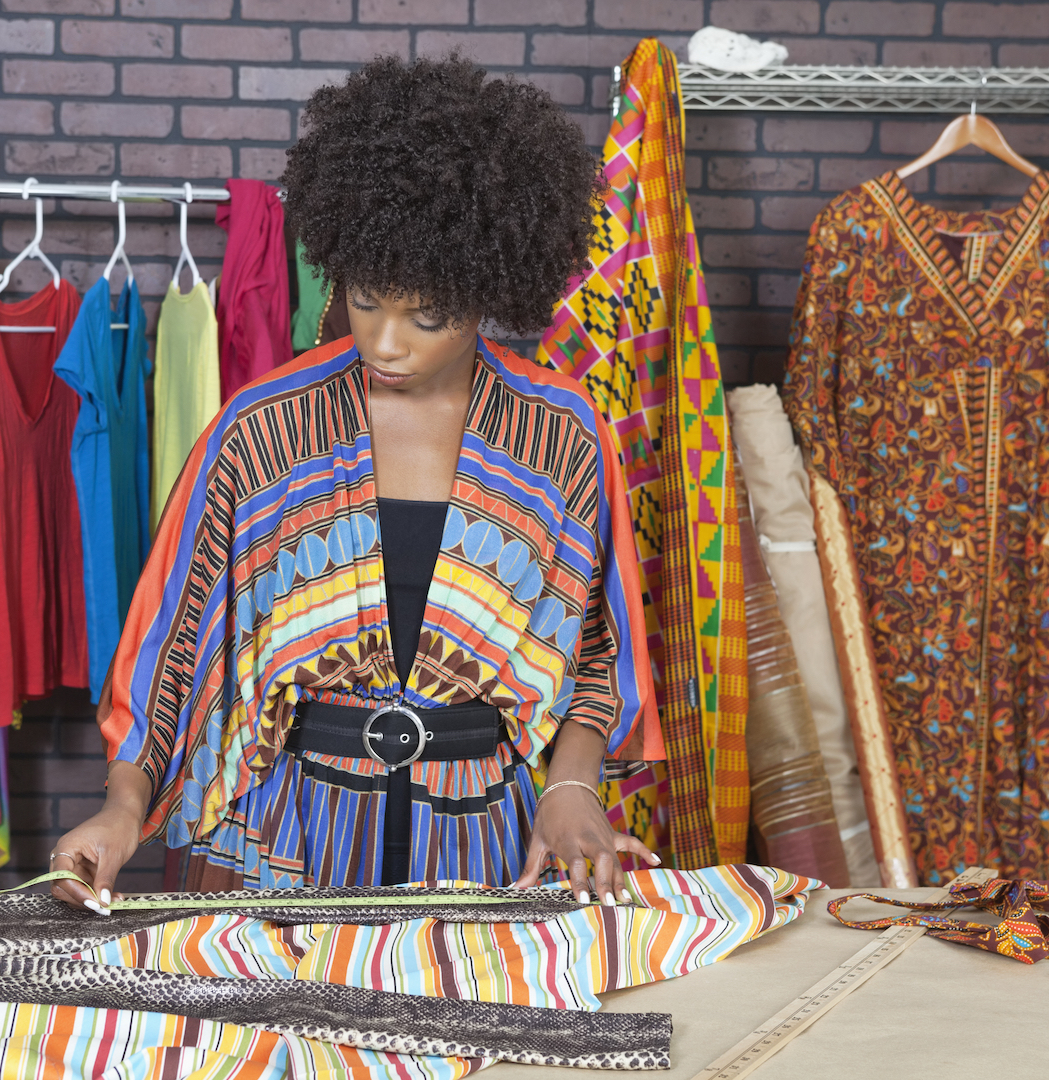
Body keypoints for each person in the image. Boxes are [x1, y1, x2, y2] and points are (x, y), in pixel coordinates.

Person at [51, 53, 663, 910]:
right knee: (288, 1047)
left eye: (429, 315)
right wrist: (121, 810)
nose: (386, 342)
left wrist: (572, 790)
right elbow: (173, 645)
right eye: (370, 297)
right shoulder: (263, 429)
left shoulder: (559, 435)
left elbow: (600, 651)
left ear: (490, 288)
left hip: (489, 841)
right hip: (283, 841)